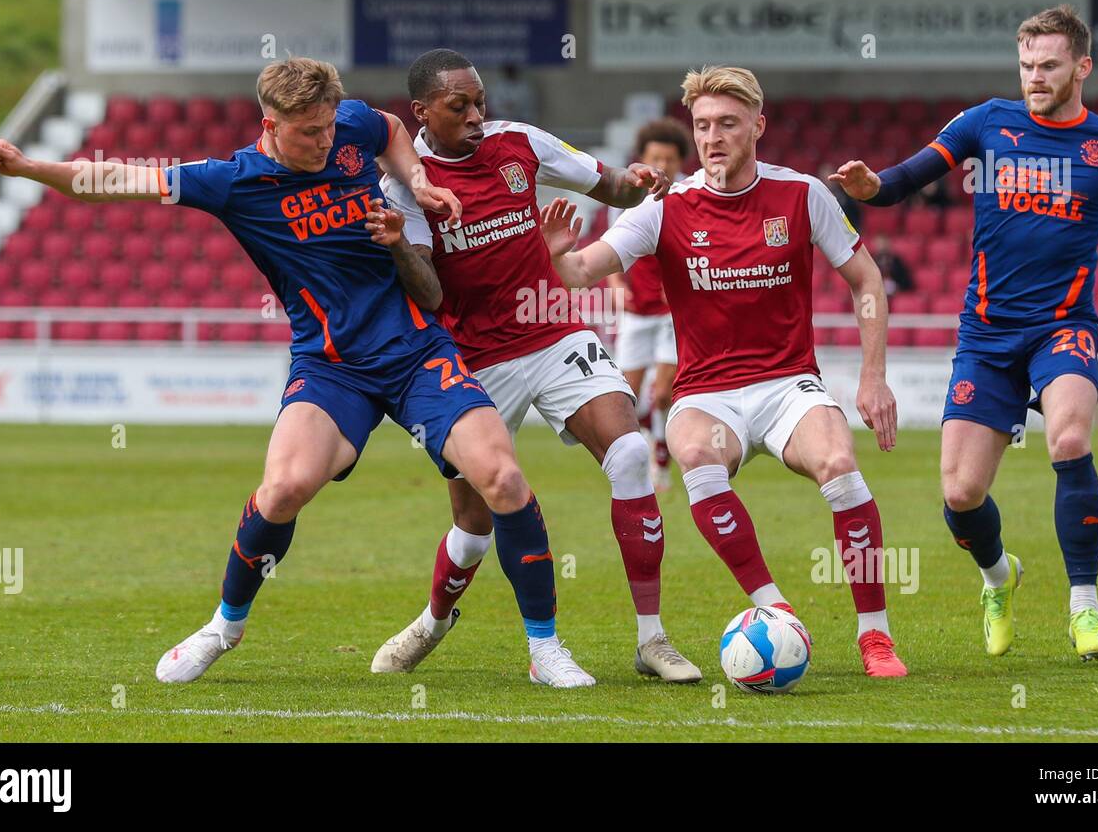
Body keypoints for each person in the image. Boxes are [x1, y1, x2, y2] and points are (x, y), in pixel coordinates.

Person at [0, 57, 584, 686]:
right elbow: (113, 177)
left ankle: (545, 650)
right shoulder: (232, 181)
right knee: (283, 489)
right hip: (330, 367)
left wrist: (417, 180)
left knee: (504, 478)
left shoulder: (348, 125)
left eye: (328, 129)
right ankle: (224, 625)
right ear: (270, 124)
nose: (326, 142)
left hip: (417, 352)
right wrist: (29, 168)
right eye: (309, 134)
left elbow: (389, 130)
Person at [830, 5, 1098, 661]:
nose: (1034, 76)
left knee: (1069, 438)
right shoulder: (985, 122)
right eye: (1026, 64)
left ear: (1082, 67)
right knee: (960, 493)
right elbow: (906, 178)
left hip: (1063, 328)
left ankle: (1084, 611)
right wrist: (872, 185)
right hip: (987, 336)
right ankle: (1000, 578)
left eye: (1049, 65)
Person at [541, 65, 908, 677]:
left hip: (789, 385)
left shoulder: (802, 195)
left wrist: (873, 377)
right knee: (696, 458)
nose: (713, 137)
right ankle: (777, 609)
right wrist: (557, 254)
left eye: (728, 125)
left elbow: (866, 279)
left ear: (758, 127)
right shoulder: (665, 206)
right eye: (703, 125)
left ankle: (876, 635)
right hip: (708, 392)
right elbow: (582, 271)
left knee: (841, 465)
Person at [373, 49, 701, 685]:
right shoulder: (401, 190)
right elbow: (432, 297)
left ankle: (651, 639)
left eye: (480, 102)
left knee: (631, 455)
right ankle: (435, 619)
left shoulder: (519, 142)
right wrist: (398, 248)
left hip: (552, 330)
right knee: (472, 527)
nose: (476, 116)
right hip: (471, 360)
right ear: (421, 114)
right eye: (458, 106)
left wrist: (637, 181)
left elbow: (607, 183)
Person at [606, 118, 688, 491]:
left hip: (673, 312)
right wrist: (614, 285)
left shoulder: (687, 194)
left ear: (679, 161)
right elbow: (610, 248)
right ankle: (645, 449)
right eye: (656, 157)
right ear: (644, 158)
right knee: (629, 393)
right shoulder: (626, 196)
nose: (663, 164)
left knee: (665, 391)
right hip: (635, 311)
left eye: (669, 158)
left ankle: (660, 456)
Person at [870, 234, 914, 302]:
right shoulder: (871, 261)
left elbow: (906, 281)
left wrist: (897, 287)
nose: (882, 247)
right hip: (877, 294)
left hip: (897, 294)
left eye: (884, 244)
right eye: (880, 244)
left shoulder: (897, 261)